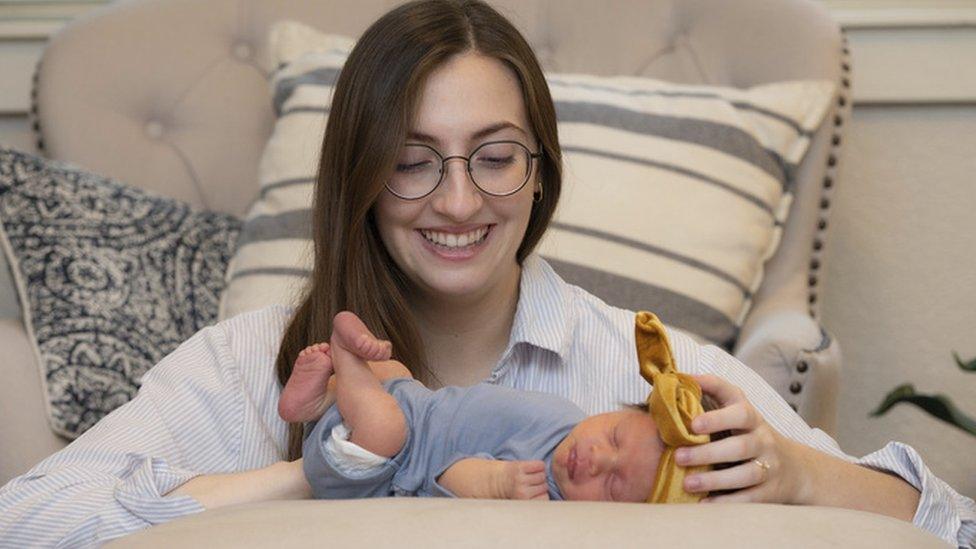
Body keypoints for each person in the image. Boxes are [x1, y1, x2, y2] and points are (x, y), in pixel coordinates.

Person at [0, 0, 973, 547]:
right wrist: (335, 477)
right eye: (414, 160)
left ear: (540, 170)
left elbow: (948, 525)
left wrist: (795, 477)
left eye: (496, 155)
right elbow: (31, 519)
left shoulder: (630, 364)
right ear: (362, 178)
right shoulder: (257, 360)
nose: (459, 203)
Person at [292, 310, 718, 503]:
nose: (596, 458)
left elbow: (448, 474)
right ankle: (317, 401)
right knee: (396, 373)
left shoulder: (534, 489)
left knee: (386, 428)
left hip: (378, 467)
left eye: (612, 484)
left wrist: (498, 483)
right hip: (410, 404)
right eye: (614, 436)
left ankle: (346, 362)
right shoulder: (564, 419)